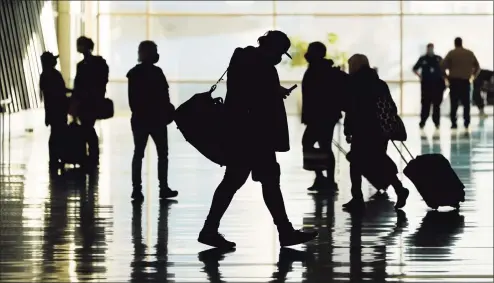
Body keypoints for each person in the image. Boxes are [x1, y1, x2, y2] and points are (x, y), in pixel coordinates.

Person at [198, 30, 318, 249]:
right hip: (255, 134)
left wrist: (273, 90)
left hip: (241, 132)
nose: (280, 58)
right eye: (280, 52)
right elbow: (256, 98)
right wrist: (273, 92)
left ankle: (210, 229)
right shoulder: (261, 66)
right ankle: (284, 232)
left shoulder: (244, 61)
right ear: (271, 48)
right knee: (266, 181)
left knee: (238, 181)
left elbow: (246, 91)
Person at [343, 54, 409, 212]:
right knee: (379, 160)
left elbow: (351, 109)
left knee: (356, 163)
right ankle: (399, 189)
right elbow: (391, 107)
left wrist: (348, 129)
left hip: (363, 129)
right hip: (380, 130)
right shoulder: (380, 83)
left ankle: (358, 198)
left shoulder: (354, 84)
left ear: (355, 66)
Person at [127, 41, 177, 201]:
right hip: (157, 120)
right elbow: (165, 96)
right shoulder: (157, 73)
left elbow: (132, 101)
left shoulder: (134, 73)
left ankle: (137, 189)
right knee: (162, 155)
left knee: (138, 154)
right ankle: (163, 188)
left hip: (140, 119)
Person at [301, 41, 348, 192]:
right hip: (324, 115)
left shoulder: (320, 70)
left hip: (321, 116)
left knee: (313, 144)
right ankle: (325, 179)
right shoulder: (321, 68)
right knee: (322, 146)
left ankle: (325, 179)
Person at [73, 36, 109, 166]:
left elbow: (79, 85)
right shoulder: (97, 63)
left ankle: (90, 155)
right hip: (89, 101)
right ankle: (91, 155)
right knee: (87, 127)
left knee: (87, 127)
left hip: (88, 102)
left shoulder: (85, 65)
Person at [441, 37, 481, 130]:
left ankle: (454, 123)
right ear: (462, 43)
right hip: (465, 82)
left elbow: (442, 67)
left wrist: (447, 77)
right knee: (466, 104)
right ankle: (466, 122)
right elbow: (478, 67)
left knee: (454, 104)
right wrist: (473, 77)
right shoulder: (469, 53)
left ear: (455, 43)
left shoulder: (451, 53)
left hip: (454, 82)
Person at [39, 51, 71, 168]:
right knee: (58, 134)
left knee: (55, 133)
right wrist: (72, 91)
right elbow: (60, 91)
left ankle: (54, 158)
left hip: (52, 110)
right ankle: (57, 157)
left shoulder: (44, 75)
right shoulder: (54, 74)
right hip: (58, 109)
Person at [412, 43, 446, 129]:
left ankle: (437, 122)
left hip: (437, 86)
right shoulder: (423, 59)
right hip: (426, 85)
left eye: (431, 48)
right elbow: (415, 68)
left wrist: (445, 81)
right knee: (425, 104)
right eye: (429, 48)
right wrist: (420, 76)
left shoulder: (438, 58)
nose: (430, 50)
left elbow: (444, 70)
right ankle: (423, 122)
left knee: (436, 105)